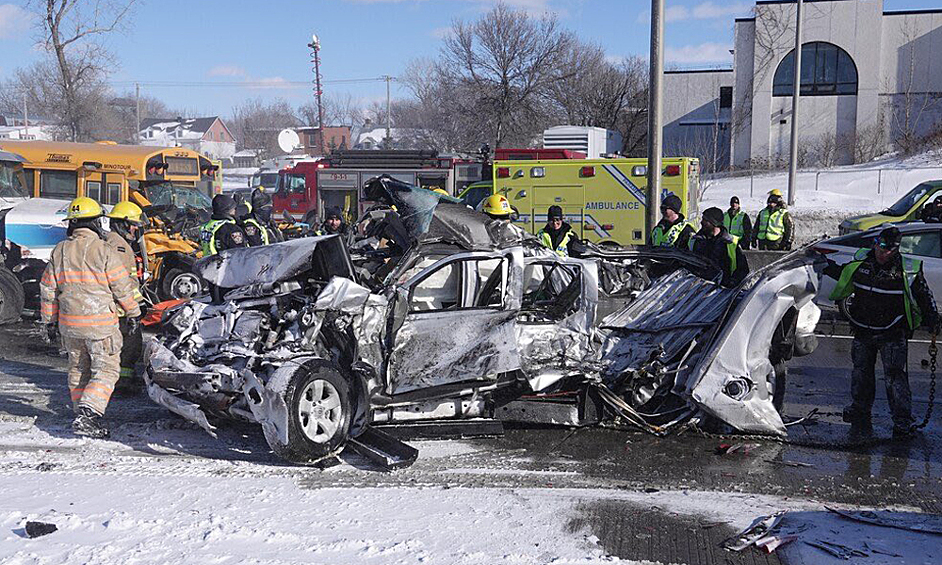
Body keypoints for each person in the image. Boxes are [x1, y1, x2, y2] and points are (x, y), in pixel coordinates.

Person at [824, 226, 940, 439]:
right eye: (881, 246)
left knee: (895, 378)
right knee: (861, 373)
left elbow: (924, 296)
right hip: (863, 328)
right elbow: (843, 274)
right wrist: (823, 264)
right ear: (875, 243)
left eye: (889, 248)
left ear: (896, 249)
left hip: (893, 333)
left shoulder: (907, 270)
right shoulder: (862, 263)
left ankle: (902, 420)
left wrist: (933, 320)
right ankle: (860, 410)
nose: (883, 252)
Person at [40, 197, 142, 438]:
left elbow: (48, 290)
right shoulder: (103, 250)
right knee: (106, 370)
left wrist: (49, 322)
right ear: (96, 222)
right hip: (100, 326)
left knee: (78, 369)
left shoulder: (60, 250)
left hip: (70, 325)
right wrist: (133, 313)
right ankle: (89, 413)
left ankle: (80, 414)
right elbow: (121, 286)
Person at [104, 201, 146, 395]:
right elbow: (119, 282)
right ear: (122, 224)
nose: (136, 229)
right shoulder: (118, 246)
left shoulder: (119, 243)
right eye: (133, 224)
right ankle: (121, 382)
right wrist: (134, 307)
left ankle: (124, 378)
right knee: (130, 344)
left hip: (122, 306)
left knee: (129, 344)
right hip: (120, 308)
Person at [688, 207, 749, 287]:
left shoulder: (730, 243)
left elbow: (742, 269)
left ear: (714, 223)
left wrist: (732, 282)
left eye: (705, 220)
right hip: (697, 290)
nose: (701, 222)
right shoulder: (695, 240)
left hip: (722, 292)